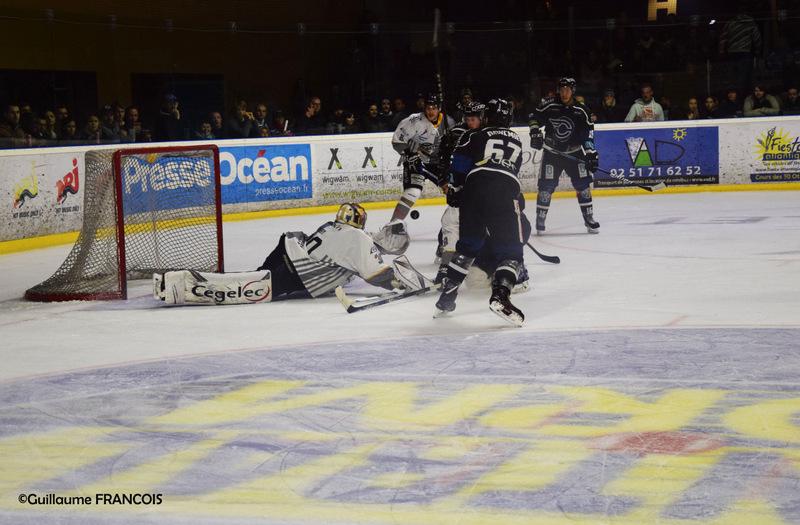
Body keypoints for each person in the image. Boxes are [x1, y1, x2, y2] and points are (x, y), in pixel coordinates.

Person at [154, 204, 417, 305]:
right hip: (298, 272)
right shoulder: (359, 239)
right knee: (248, 289)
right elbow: (375, 273)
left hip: (288, 245)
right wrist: (403, 284)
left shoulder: (333, 227)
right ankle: (181, 286)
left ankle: (179, 281)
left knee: (253, 276)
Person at [433, 98, 527, 326]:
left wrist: (455, 189)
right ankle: (501, 295)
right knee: (512, 253)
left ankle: (447, 297)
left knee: (468, 246)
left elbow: (459, 164)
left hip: (474, 189)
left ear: (487, 117)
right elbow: (510, 171)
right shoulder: (517, 140)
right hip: (504, 191)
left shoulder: (474, 135)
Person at [372, 93, 455, 255]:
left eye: (434, 108)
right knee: (413, 192)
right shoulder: (413, 121)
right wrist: (411, 151)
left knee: (452, 191)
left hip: (438, 163)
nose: (431, 111)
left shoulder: (449, 122)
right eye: (428, 108)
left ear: (439, 108)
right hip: (416, 160)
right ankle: (391, 229)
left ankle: (453, 229)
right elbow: (397, 142)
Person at [529, 77, 600, 235]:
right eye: (562, 89)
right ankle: (540, 219)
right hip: (552, 154)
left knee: (583, 187)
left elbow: (588, 135)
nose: (564, 93)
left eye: (567, 90)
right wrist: (534, 132)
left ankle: (589, 218)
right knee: (546, 188)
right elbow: (533, 117)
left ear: (572, 91)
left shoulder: (582, 110)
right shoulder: (549, 105)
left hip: (575, 152)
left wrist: (590, 153)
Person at [433, 100, 486, 280]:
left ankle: (481, 256)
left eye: (473, 119)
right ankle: (445, 256)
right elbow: (442, 158)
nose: (470, 123)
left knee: (470, 221)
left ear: (482, 118)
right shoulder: (455, 133)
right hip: (461, 184)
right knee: (451, 219)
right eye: (467, 119)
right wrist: (443, 181)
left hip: (480, 186)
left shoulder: (486, 133)